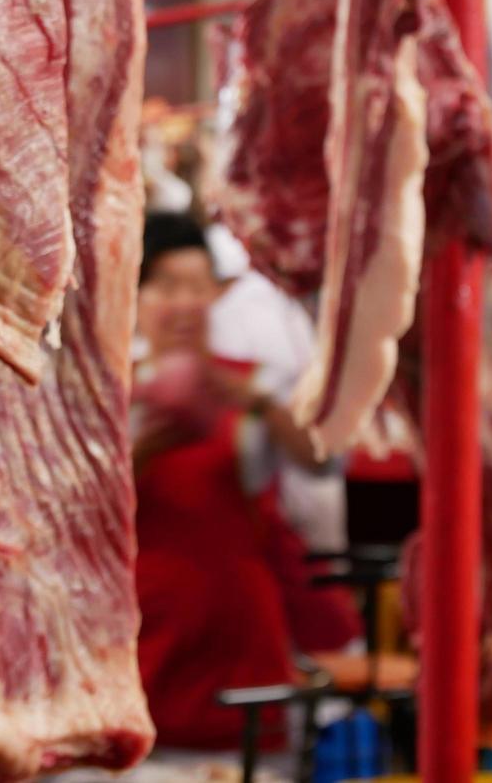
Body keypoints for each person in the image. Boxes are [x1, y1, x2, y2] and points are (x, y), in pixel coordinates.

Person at [131, 213, 355, 768]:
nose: (184, 302)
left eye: (198, 285)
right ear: (135, 295)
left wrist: (260, 404)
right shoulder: (111, 389)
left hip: (238, 652)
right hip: (140, 649)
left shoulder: (254, 383)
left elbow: (322, 460)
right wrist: (145, 450)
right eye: (166, 285)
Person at [206, 224, 348, 553]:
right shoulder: (249, 311)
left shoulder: (270, 310)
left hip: (284, 525)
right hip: (264, 528)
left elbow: (322, 453)